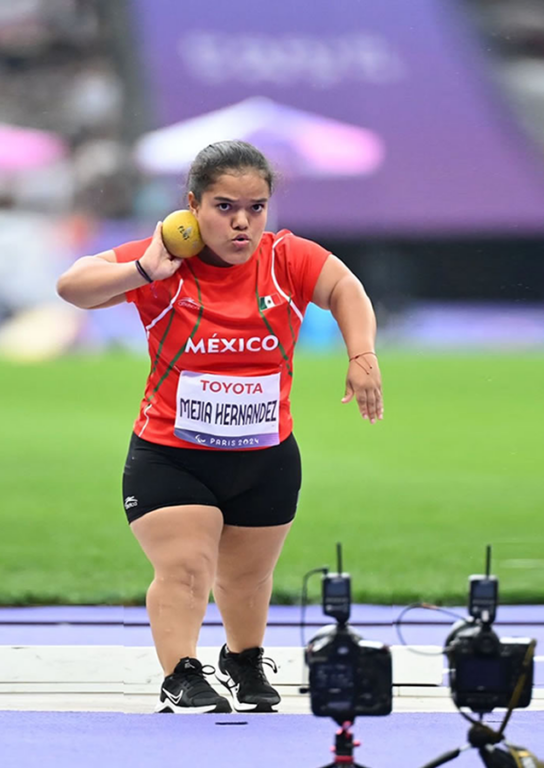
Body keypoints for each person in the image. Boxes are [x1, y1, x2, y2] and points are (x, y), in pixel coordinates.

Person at [56, 140, 383, 713]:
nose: (241, 222)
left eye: (256, 208)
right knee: (186, 569)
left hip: (266, 457)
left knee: (248, 581)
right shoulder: (164, 265)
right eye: (225, 206)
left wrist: (362, 355)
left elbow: (345, 288)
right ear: (192, 205)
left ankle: (242, 659)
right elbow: (73, 286)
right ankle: (181, 672)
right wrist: (141, 269)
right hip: (171, 455)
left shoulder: (287, 258)